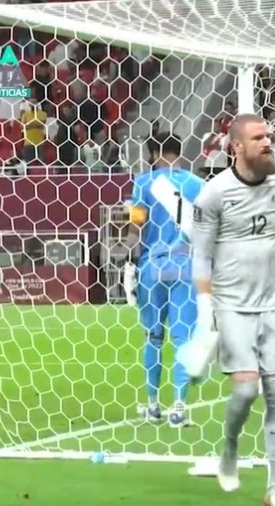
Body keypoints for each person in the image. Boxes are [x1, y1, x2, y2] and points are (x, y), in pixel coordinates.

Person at [190, 114, 275, 506]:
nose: (267, 143)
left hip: (273, 304)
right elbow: (201, 255)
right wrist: (204, 309)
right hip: (231, 306)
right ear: (237, 147)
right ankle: (229, 447)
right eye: (258, 138)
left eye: (269, 136)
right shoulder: (214, 194)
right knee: (245, 390)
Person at [123, 132, 205, 427]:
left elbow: (135, 229)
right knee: (183, 339)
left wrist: (129, 263)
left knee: (153, 337)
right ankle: (179, 409)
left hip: (152, 268)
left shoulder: (143, 183)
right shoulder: (198, 185)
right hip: (185, 267)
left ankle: (153, 405)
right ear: (178, 151)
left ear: (155, 153)